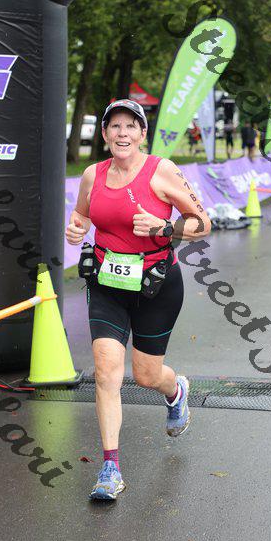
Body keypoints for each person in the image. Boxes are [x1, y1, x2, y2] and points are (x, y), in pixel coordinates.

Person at [66, 99, 211, 501]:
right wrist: (76, 229)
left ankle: (175, 391)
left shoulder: (162, 171)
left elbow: (203, 222)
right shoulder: (93, 174)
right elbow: (81, 216)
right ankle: (110, 468)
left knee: (146, 376)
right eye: (115, 126)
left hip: (155, 286)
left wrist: (165, 227)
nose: (123, 133)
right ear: (105, 134)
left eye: (131, 126)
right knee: (106, 371)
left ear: (143, 134)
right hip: (107, 283)